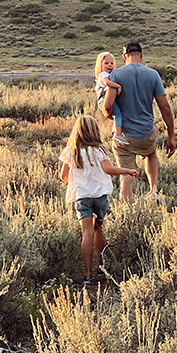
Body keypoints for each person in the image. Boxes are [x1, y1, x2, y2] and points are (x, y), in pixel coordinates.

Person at [59, 114, 138, 286]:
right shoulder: (100, 149)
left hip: (82, 196)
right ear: (95, 130)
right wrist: (127, 170)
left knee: (86, 233)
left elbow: (63, 176)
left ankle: (87, 275)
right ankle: (102, 268)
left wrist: (78, 182)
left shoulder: (70, 151)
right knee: (98, 230)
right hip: (100, 196)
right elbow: (108, 169)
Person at [103, 40, 176, 204]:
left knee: (127, 173)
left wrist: (109, 116)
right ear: (141, 56)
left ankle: (127, 210)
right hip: (146, 133)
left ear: (124, 57)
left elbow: (108, 106)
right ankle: (153, 190)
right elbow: (165, 108)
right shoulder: (153, 74)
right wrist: (171, 136)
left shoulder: (116, 75)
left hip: (124, 136)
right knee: (150, 154)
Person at [94, 51, 124, 141]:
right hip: (104, 98)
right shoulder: (103, 74)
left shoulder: (110, 74)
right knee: (118, 115)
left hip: (106, 97)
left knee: (116, 115)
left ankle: (115, 131)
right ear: (100, 65)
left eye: (111, 63)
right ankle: (118, 134)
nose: (109, 65)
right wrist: (118, 86)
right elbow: (108, 83)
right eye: (106, 63)